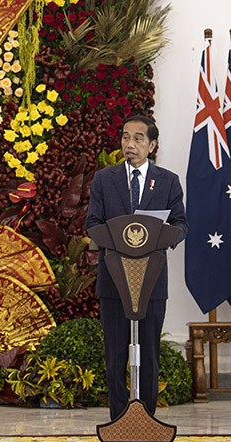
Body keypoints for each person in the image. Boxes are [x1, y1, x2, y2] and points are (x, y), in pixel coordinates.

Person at [85, 115, 187, 420]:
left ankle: (147, 420)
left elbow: (181, 224)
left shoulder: (168, 181)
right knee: (115, 356)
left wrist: (167, 235)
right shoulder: (105, 179)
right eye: (126, 137)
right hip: (114, 282)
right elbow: (93, 224)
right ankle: (119, 420)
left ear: (152, 145)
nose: (130, 144)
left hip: (152, 283)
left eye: (139, 138)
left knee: (149, 356)